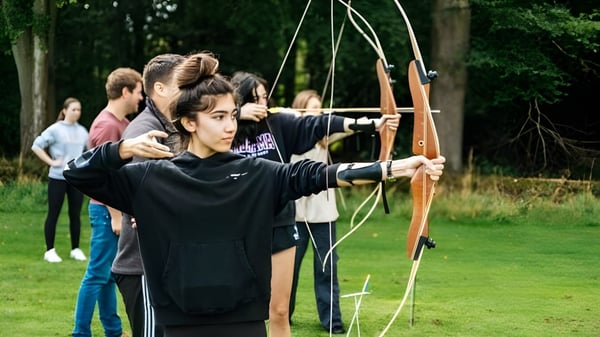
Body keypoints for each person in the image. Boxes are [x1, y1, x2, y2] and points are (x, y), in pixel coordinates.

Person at [63, 51, 445, 337]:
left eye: (232, 114)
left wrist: (398, 167)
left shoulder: (256, 173)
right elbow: (76, 172)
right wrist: (122, 150)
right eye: (218, 117)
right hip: (177, 320)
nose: (230, 125)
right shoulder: (151, 177)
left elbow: (318, 174)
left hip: (244, 320)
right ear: (189, 122)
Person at [230, 72, 400, 337]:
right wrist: (235, 115)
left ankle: (330, 321)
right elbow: (191, 124)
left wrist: (373, 124)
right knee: (239, 298)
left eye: (264, 97)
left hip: (279, 219)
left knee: (280, 310)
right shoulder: (225, 128)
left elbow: (322, 125)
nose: (261, 104)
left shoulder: (278, 124)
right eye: (253, 99)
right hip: (238, 221)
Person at [112, 53, 185, 337]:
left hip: (165, 264)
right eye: (184, 83)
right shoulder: (145, 131)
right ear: (160, 89)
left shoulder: (173, 127)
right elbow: (144, 197)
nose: (192, 90)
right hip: (142, 268)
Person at [72, 67, 143, 337]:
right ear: (125, 91)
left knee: (108, 275)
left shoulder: (123, 124)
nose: (140, 98)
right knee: (96, 274)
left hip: (114, 211)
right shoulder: (106, 125)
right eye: (138, 92)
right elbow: (102, 174)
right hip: (105, 212)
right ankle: (80, 332)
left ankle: (112, 329)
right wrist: (115, 216)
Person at [287, 90, 346, 333]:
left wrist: (383, 121)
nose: (318, 113)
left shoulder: (324, 135)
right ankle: (281, 315)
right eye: (313, 108)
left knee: (327, 269)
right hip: (295, 214)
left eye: (320, 108)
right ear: (300, 109)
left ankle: (332, 321)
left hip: (323, 215)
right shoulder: (288, 131)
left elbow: (347, 127)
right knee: (287, 269)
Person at [31, 97, 89, 263]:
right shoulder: (55, 129)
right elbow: (36, 146)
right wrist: (51, 162)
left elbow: (89, 151)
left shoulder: (83, 131)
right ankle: (50, 250)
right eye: (73, 109)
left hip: (76, 179)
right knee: (53, 213)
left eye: (79, 110)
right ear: (64, 110)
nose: (77, 113)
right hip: (57, 178)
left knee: (75, 214)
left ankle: (75, 249)